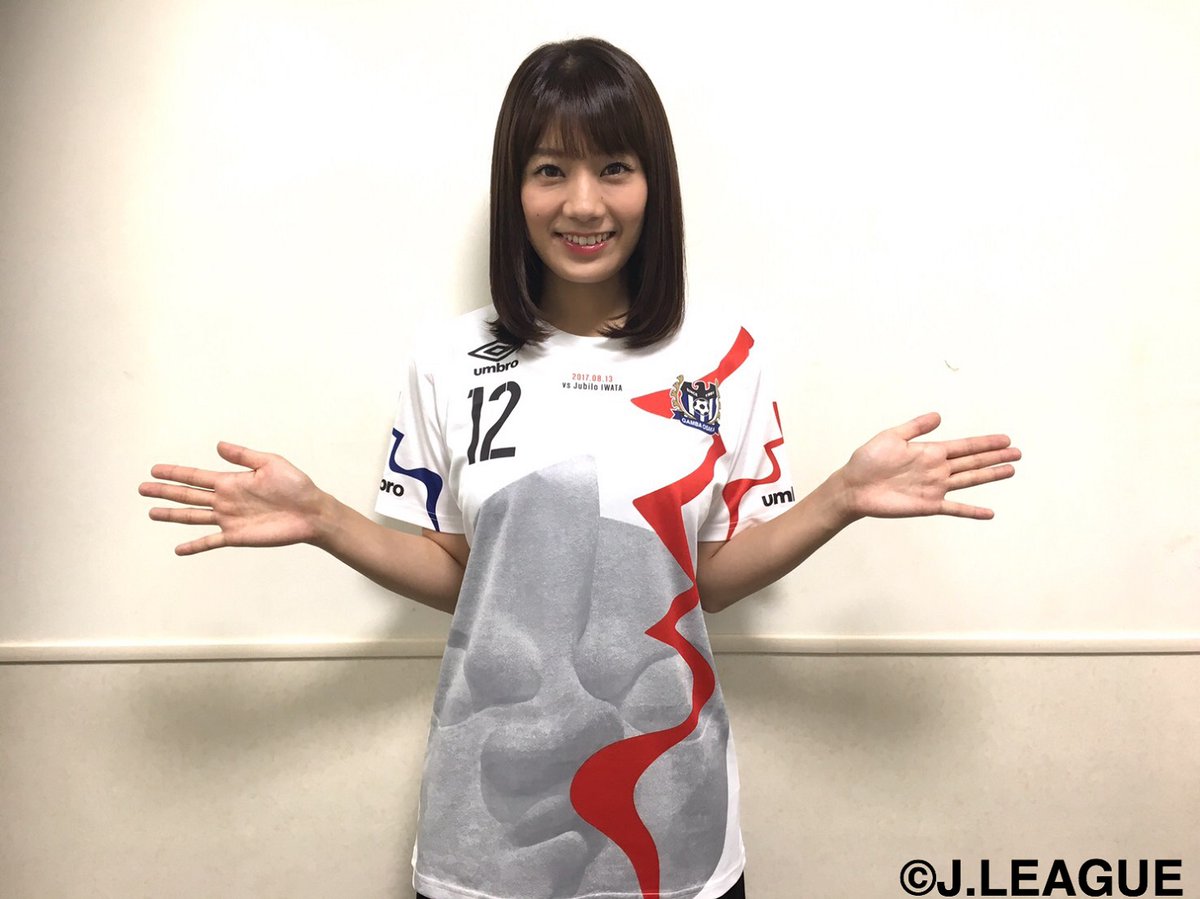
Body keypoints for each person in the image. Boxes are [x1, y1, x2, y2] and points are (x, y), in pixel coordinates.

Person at [139, 37, 1020, 899]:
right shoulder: (449, 359)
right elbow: (473, 581)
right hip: (486, 839)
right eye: (551, 170)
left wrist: (841, 497)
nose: (584, 204)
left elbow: (705, 582)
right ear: (514, 189)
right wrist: (326, 519)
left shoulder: (724, 359)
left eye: (615, 168)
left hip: (672, 830)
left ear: (653, 185)